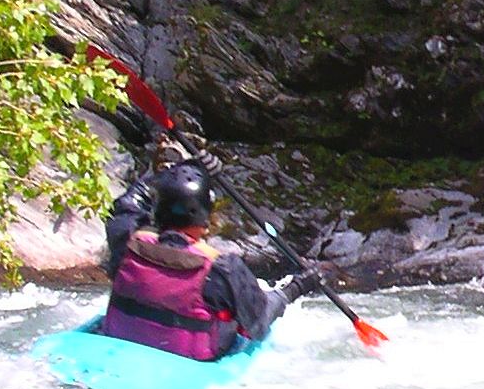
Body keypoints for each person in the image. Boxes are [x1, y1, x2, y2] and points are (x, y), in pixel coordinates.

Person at [100, 145, 320, 362]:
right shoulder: (221, 268)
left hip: (118, 344)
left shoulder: (126, 241)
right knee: (232, 318)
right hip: (188, 360)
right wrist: (297, 287)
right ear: (205, 220)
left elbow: (128, 203)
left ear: (158, 210)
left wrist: (183, 168)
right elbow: (259, 321)